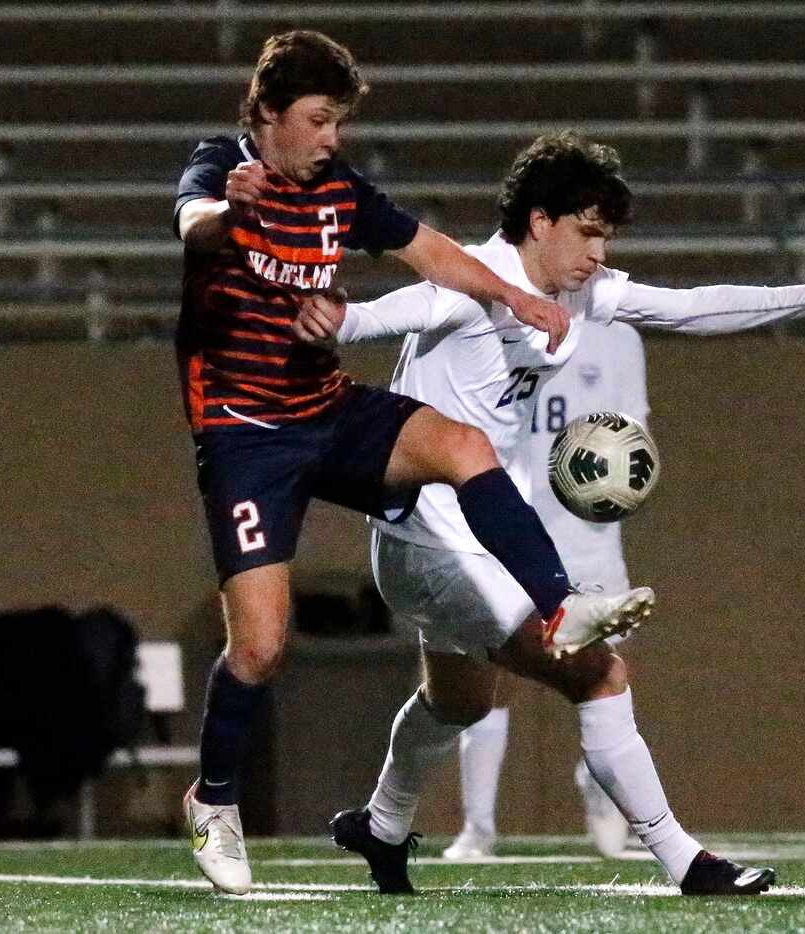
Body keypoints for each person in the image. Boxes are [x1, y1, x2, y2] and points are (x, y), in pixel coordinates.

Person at [299, 132, 805, 895]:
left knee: (458, 701)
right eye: (588, 231)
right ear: (539, 220)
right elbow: (371, 318)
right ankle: (686, 860)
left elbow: (685, 310)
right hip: (433, 538)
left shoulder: (577, 290)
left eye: (606, 235)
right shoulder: (467, 284)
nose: (597, 251)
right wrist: (323, 317)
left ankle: (380, 828)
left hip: (456, 539)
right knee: (598, 672)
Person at [173, 36, 654, 896]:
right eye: (317, 121)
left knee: (461, 443)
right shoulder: (221, 166)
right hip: (245, 430)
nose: (330, 138)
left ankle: (563, 604)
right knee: (260, 648)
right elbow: (196, 229)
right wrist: (229, 212)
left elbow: (432, 251)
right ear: (266, 115)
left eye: (338, 122)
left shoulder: (340, 191)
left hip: (322, 407)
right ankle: (213, 801)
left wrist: (511, 295)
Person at [443, 319, 647, 861]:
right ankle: (479, 826)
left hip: (589, 534)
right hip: (514, 525)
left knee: (603, 670)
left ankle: (598, 783)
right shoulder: (501, 323)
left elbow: (632, 440)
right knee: (499, 676)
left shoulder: (620, 339)